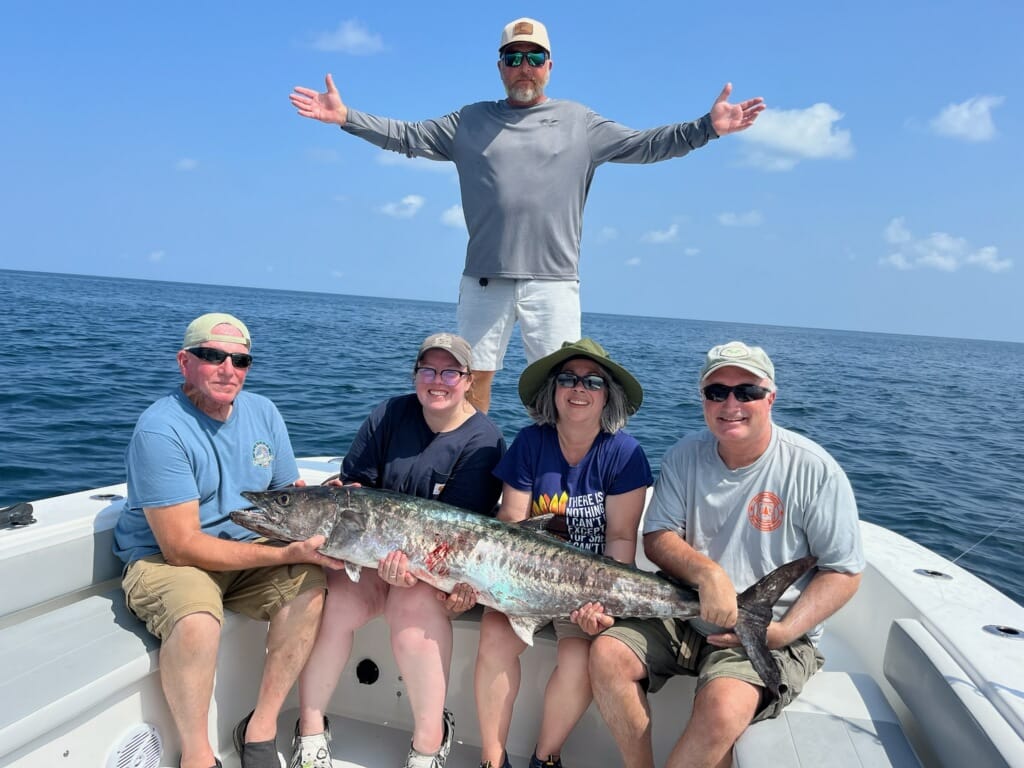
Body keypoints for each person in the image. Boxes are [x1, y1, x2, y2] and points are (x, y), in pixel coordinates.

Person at [289, 18, 765, 414]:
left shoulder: (580, 121)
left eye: (534, 57)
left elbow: (646, 145)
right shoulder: (468, 121)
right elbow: (406, 135)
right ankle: (469, 469)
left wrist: (707, 128)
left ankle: (553, 476)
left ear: (549, 66)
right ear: (500, 66)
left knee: (563, 386)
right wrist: (347, 117)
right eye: (514, 57)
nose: (524, 67)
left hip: (553, 282)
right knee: (470, 381)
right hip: (484, 279)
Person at [577, 341, 865, 768]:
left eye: (746, 392)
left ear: (771, 398)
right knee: (607, 655)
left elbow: (843, 571)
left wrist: (784, 632)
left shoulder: (814, 470)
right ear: (703, 400)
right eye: (717, 392)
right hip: (684, 614)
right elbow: (657, 535)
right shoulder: (684, 456)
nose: (731, 404)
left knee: (724, 707)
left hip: (771, 627)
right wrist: (707, 574)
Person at [112, 313, 344, 768]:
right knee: (197, 619)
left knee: (310, 587)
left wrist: (327, 502)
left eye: (240, 360)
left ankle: (260, 728)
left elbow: (287, 494)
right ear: (184, 362)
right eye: (212, 356)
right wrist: (285, 553)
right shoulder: (161, 430)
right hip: (167, 559)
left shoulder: (263, 412)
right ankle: (197, 755)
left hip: (248, 548)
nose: (227, 369)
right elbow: (180, 545)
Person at [290, 333, 506, 768]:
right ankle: (310, 729)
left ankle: (430, 741)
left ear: (469, 380)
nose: (438, 380)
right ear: (415, 375)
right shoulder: (390, 413)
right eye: (428, 370)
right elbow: (356, 489)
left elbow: (458, 535)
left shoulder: (483, 441)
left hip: (433, 568)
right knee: (335, 607)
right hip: (372, 554)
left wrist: (416, 571)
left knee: (411, 618)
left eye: (451, 372)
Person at [474, 338, 653, 768]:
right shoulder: (530, 443)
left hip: (587, 591)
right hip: (521, 579)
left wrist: (605, 602)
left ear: (607, 395)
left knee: (579, 659)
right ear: (552, 389)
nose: (579, 388)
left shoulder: (624, 453)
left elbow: (621, 538)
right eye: (569, 378)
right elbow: (512, 523)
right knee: (494, 640)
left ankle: (545, 757)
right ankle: (492, 760)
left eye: (593, 381)